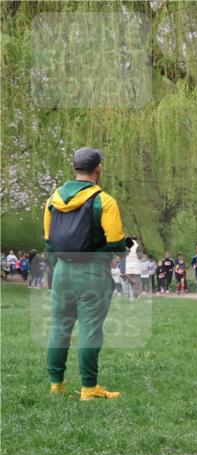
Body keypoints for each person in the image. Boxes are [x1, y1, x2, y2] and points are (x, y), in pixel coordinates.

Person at [44, 147, 129, 399]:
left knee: (59, 328)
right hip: (92, 271)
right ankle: (89, 389)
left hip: (62, 271)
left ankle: (56, 384)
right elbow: (115, 241)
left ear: (75, 168)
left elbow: (49, 241)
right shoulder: (104, 200)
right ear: (98, 169)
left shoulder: (53, 200)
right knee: (90, 330)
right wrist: (120, 253)